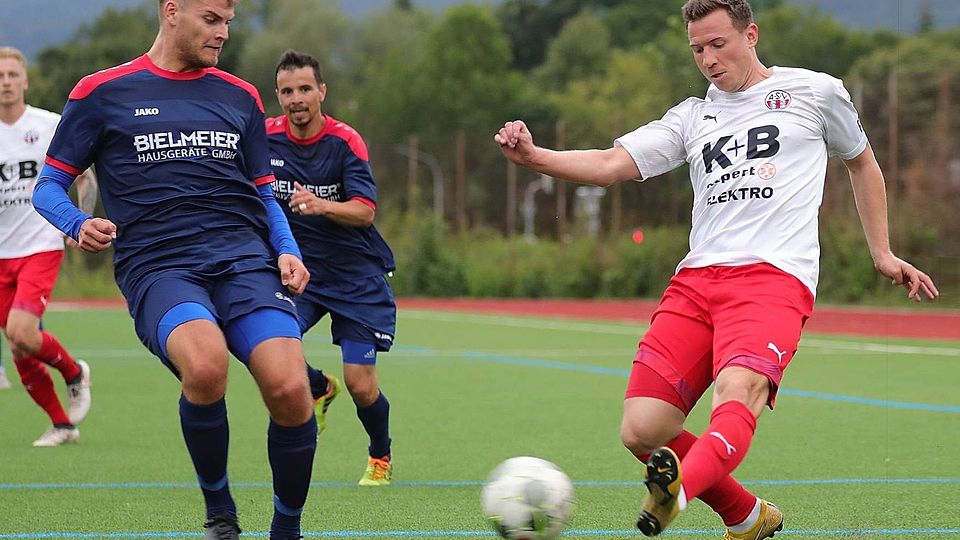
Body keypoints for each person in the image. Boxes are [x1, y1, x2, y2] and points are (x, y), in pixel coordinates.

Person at [494, 0, 939, 537]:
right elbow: (611, 164)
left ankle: (676, 491)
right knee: (643, 428)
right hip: (696, 283)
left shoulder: (815, 92)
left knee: (738, 393)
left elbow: (861, 162)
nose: (708, 58)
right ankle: (746, 516)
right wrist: (535, 157)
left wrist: (883, 252)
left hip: (773, 280)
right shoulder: (691, 116)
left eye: (718, 44)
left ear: (751, 34)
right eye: (698, 49)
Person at [32, 1, 318, 538]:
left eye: (228, 21)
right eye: (211, 19)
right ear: (171, 12)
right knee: (206, 366)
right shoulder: (100, 92)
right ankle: (221, 514)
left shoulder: (241, 96)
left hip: (244, 261)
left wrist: (288, 248)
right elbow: (47, 187)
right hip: (159, 266)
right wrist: (76, 223)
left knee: (290, 386)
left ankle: (287, 529)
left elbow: (265, 195)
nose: (223, 33)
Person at [267, 49, 397, 487]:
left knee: (361, 385)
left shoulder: (345, 141)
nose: (296, 98)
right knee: (267, 346)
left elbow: (365, 212)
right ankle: (318, 387)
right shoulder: (264, 138)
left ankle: (380, 454)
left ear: (321, 91)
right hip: (299, 273)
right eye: (287, 91)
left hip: (355, 277)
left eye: (305, 89)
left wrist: (320, 205)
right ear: (279, 96)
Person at [0, 46, 95, 445]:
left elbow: (85, 175)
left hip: (40, 244)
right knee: (20, 346)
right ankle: (62, 424)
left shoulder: (48, 125)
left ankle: (74, 372)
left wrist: (78, 223)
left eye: (11, 75)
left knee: (20, 331)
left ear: (25, 81)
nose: (5, 82)